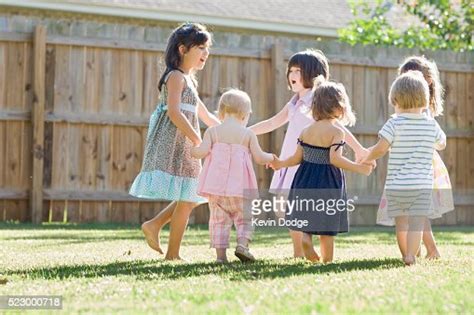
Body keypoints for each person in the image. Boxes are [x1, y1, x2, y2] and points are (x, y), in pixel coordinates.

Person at [129, 23, 220, 260]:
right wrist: (198, 139)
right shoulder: (176, 77)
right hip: (177, 143)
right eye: (200, 47)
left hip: (187, 144)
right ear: (182, 49)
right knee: (190, 197)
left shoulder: (189, 80)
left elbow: (206, 116)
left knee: (190, 196)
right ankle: (171, 252)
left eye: (206, 48)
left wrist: (231, 133)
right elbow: (174, 113)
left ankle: (155, 225)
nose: (205, 53)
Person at [270, 77, 373, 263]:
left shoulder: (306, 131)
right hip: (327, 180)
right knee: (327, 226)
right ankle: (327, 261)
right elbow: (335, 159)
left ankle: (305, 238)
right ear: (339, 107)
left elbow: (295, 159)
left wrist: (280, 164)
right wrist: (359, 168)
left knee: (308, 219)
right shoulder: (336, 132)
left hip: (304, 179)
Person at [362, 71, 447, 265]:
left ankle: (405, 255)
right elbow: (442, 143)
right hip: (422, 186)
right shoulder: (430, 124)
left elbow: (380, 149)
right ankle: (411, 255)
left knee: (401, 221)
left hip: (397, 185)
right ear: (424, 100)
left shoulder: (394, 123)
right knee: (417, 221)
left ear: (396, 100)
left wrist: (367, 155)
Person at [192, 89, 274, 263]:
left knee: (218, 221)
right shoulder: (247, 134)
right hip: (240, 189)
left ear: (221, 113)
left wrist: (192, 149)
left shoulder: (213, 132)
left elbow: (200, 152)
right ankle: (242, 246)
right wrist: (271, 158)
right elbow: (260, 157)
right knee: (245, 218)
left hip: (216, 189)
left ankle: (221, 257)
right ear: (245, 116)